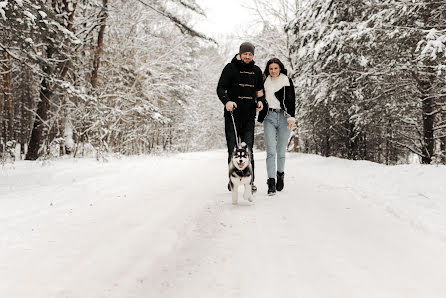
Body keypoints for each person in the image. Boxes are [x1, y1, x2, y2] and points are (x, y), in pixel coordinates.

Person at [216, 42, 265, 193]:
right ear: (240, 53)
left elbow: (260, 92)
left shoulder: (256, 71)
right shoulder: (230, 68)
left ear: (253, 55)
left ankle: (251, 182)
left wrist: (261, 102)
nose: (248, 56)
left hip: (249, 115)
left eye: (250, 54)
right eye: (245, 54)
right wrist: (227, 101)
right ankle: (232, 180)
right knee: (233, 149)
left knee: (248, 149)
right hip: (232, 115)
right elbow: (220, 88)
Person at [257, 58, 295, 195]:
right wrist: (258, 104)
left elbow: (291, 101)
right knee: (271, 151)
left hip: (284, 118)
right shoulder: (264, 82)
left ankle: (280, 175)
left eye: (275, 68)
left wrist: (291, 118)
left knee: (281, 151)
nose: (273, 71)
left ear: (280, 69)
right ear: (268, 69)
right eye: (271, 68)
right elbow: (259, 97)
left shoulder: (287, 81)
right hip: (269, 117)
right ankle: (271, 182)